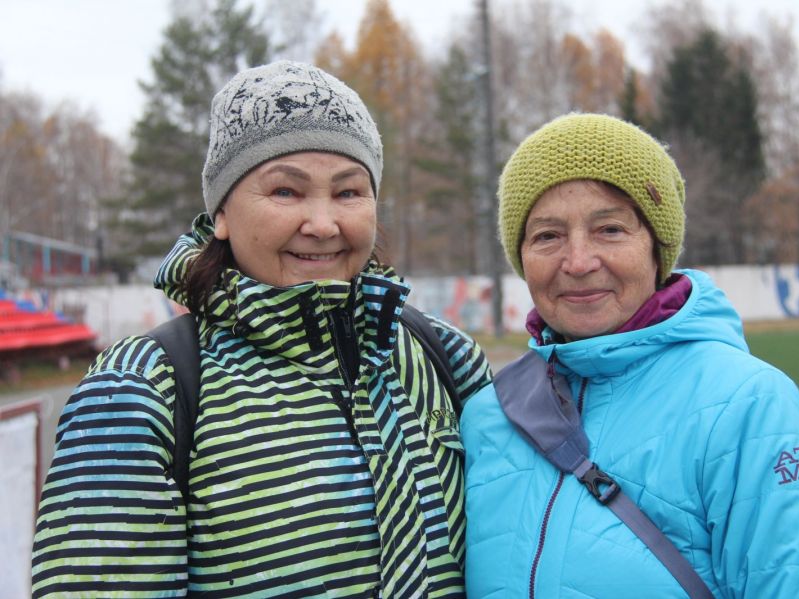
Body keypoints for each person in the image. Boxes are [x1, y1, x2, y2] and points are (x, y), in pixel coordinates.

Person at [32, 61, 491, 598]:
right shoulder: (143, 388)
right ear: (221, 213)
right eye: (285, 192)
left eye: (348, 193)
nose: (323, 224)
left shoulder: (441, 354)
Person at [461, 113, 799, 597]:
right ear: (521, 256)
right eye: (547, 235)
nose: (579, 262)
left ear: (657, 247)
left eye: (610, 229)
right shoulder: (488, 413)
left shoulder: (748, 403)